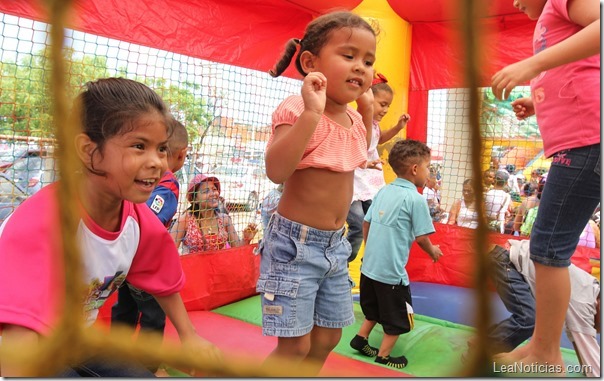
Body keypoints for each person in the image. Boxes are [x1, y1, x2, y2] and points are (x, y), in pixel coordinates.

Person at [0, 78, 220, 376]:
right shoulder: (46, 221)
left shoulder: (136, 218)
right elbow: (17, 348)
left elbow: (163, 276)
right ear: (89, 150)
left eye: (161, 149)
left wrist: (189, 336)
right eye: (139, 146)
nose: (157, 162)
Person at [258, 11, 376, 374]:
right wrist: (311, 114)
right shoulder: (299, 108)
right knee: (295, 346)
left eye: (368, 61)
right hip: (295, 246)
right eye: (349, 55)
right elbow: (276, 169)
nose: (361, 67)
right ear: (310, 63)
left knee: (328, 339)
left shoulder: (353, 118)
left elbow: (359, 151)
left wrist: (368, 111)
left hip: (335, 246)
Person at [491, 0, 600, 373]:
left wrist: (532, 64)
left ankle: (546, 353)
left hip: (589, 141)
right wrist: (538, 102)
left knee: (549, 248)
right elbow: (578, 73)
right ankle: (542, 343)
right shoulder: (549, 18)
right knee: (546, 247)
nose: (516, 3)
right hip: (581, 143)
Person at [349, 139, 443, 369]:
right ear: (415, 169)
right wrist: (434, 252)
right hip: (391, 273)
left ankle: (360, 339)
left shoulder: (384, 191)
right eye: (427, 167)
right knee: (398, 315)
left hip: (369, 267)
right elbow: (421, 238)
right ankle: (384, 356)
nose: (428, 171)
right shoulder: (415, 199)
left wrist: (370, 249)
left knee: (373, 307)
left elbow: (366, 224)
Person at [110, 116, 188, 374]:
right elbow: (152, 220)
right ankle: (148, 368)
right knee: (152, 315)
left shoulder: (140, 181)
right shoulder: (167, 183)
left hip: (126, 261)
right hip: (145, 262)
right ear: (182, 155)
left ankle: (116, 357)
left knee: (126, 309)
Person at [472, 241, 600, 377]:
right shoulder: (583, 302)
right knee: (528, 319)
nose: (596, 330)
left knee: (540, 321)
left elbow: (580, 345)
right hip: (506, 260)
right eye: (598, 326)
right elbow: (593, 365)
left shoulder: (591, 288)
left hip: (509, 258)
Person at [346, 73, 411, 262]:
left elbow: (378, 140)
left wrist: (398, 128)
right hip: (353, 180)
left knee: (376, 219)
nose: (386, 110)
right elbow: (352, 149)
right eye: (383, 104)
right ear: (367, 99)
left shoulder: (374, 125)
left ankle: (373, 258)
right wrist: (365, 163)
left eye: (388, 106)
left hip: (368, 180)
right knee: (358, 223)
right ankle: (343, 260)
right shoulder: (356, 121)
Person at [171, 174, 258, 253]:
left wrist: (246, 239)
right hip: (192, 270)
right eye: (206, 191)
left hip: (220, 269)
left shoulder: (225, 220)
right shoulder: (184, 220)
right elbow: (169, 252)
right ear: (195, 199)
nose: (213, 194)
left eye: (214, 189)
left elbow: (238, 251)